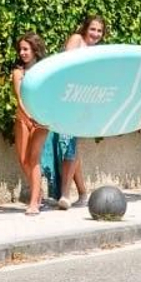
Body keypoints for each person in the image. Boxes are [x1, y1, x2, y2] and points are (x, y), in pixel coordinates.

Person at [50, 14, 104, 209]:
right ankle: (81, 193)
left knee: (70, 144)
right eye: (93, 29)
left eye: (99, 31)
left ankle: (66, 194)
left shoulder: (96, 52)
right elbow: (67, 65)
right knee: (67, 145)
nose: (95, 34)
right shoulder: (76, 39)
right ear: (85, 28)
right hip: (65, 99)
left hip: (80, 102)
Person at [11, 34, 49, 215]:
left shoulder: (45, 71)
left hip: (41, 121)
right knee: (23, 160)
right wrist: (28, 116)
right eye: (20, 49)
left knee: (34, 159)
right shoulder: (18, 73)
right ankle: (38, 192)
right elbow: (20, 99)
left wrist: (43, 117)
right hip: (23, 118)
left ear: (35, 50)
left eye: (26, 49)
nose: (22, 53)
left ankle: (34, 202)